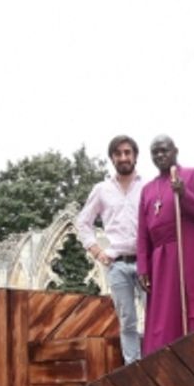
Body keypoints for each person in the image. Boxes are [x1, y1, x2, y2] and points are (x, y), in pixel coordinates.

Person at [137, 134, 194, 355]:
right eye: (155, 152)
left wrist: (185, 195)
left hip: (189, 252)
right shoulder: (147, 190)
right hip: (160, 261)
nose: (160, 155)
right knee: (164, 320)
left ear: (175, 151)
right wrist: (143, 268)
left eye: (164, 150)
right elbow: (143, 232)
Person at [75, 134, 145, 364]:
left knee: (156, 315)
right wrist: (96, 250)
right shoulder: (102, 190)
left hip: (146, 262)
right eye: (118, 154)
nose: (123, 157)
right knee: (127, 320)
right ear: (112, 158)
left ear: (135, 156)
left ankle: (157, 361)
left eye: (127, 152)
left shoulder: (148, 187)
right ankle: (133, 365)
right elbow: (83, 221)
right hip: (117, 264)